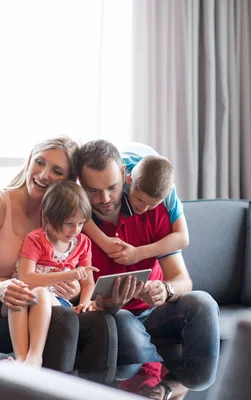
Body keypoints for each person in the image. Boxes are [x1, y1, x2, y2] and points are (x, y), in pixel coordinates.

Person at [0, 136, 116, 382]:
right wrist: (1, 289)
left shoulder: (55, 217)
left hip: (36, 305)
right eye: (40, 162)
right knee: (62, 321)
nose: (43, 174)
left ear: (69, 181)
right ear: (29, 160)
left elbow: (64, 268)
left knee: (101, 323)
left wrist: (72, 289)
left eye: (56, 171)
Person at [76, 139, 220, 391]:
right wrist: (104, 305)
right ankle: (162, 379)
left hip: (154, 313)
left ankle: (174, 381)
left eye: (112, 187)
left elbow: (182, 279)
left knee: (202, 303)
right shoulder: (72, 223)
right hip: (113, 318)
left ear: (125, 175)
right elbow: (72, 298)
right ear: (79, 184)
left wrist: (166, 290)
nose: (105, 198)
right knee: (121, 324)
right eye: (93, 191)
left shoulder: (153, 208)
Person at [7, 180, 98, 366]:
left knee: (42, 294)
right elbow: (26, 277)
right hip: (23, 298)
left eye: (81, 223)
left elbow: (88, 283)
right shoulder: (36, 240)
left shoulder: (83, 243)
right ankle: (25, 358)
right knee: (25, 293)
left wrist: (84, 302)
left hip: (56, 303)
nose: (76, 230)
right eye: (69, 224)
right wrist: (69, 275)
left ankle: (32, 358)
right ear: (48, 217)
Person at [84, 142, 189, 266]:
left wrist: (138, 253)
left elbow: (183, 238)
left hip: (153, 163)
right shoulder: (115, 176)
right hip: (126, 157)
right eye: (139, 199)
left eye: (152, 204)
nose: (143, 209)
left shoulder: (169, 192)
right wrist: (104, 242)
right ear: (128, 180)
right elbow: (76, 206)